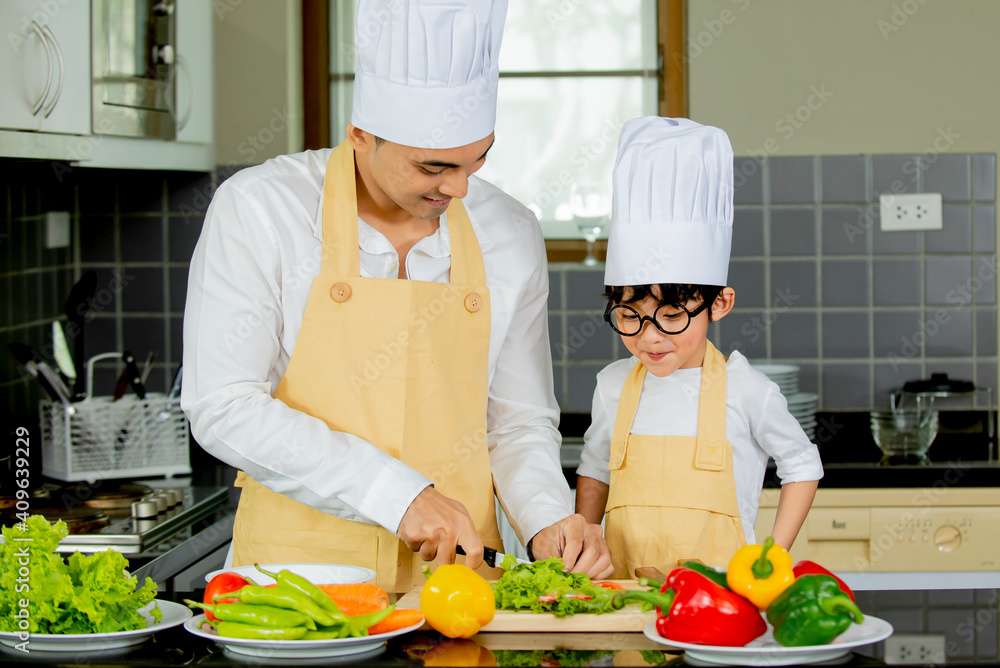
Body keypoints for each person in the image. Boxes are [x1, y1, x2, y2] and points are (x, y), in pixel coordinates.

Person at [182, 0, 612, 592]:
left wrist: (547, 523)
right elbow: (223, 404)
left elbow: (516, 422)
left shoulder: (510, 231)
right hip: (298, 580)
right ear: (361, 134)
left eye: (478, 160)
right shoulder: (263, 209)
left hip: (461, 581)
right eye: (434, 167)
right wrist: (398, 495)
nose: (459, 188)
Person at [574, 117, 823, 579]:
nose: (649, 337)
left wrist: (772, 557)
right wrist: (586, 541)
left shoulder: (747, 389)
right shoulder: (611, 386)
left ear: (719, 304)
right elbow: (595, 468)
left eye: (671, 317)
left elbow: (802, 463)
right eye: (630, 317)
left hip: (721, 603)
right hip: (622, 599)